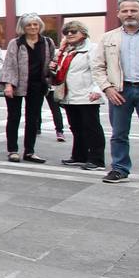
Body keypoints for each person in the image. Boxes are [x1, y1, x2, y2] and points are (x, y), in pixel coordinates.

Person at [93, 0, 139, 185]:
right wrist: (107, 88)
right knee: (119, 134)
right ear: (119, 14)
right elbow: (97, 66)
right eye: (125, 11)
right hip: (120, 91)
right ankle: (120, 169)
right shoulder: (108, 37)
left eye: (134, 10)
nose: (129, 14)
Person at [0, 13, 56, 164]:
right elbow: (9, 64)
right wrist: (8, 85)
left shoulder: (47, 42)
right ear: (23, 27)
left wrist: (52, 67)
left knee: (33, 119)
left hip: (38, 85)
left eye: (35, 24)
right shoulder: (16, 42)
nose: (32, 27)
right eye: (29, 25)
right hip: (16, 84)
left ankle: (29, 152)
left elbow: (53, 60)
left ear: (40, 26)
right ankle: (12, 150)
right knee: (14, 117)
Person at [52, 21, 106, 170]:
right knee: (76, 127)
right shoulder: (66, 51)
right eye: (66, 32)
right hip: (70, 95)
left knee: (91, 128)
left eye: (73, 31)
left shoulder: (92, 49)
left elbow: (99, 70)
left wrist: (97, 89)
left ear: (83, 33)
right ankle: (79, 156)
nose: (69, 34)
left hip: (87, 95)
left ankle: (97, 160)